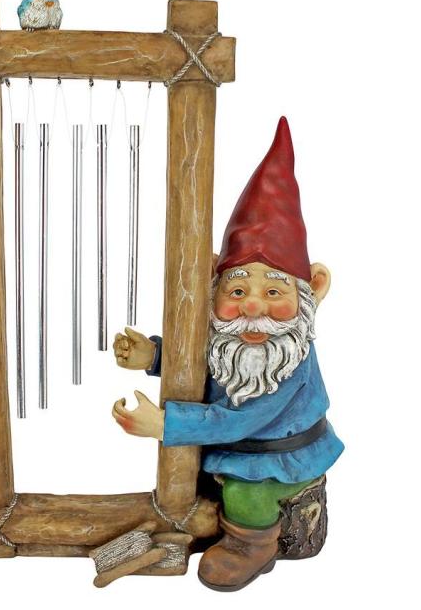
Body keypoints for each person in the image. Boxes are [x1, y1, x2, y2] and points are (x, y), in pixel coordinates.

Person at [112, 117, 344, 592]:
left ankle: (250, 545)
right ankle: (209, 522)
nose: (253, 307)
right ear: (213, 284)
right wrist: (153, 356)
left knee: (244, 493)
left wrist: (167, 425)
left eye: (273, 292)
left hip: (277, 460)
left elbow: (240, 420)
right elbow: (207, 365)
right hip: (232, 451)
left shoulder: (289, 359)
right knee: (207, 478)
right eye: (237, 291)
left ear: (313, 289)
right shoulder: (230, 340)